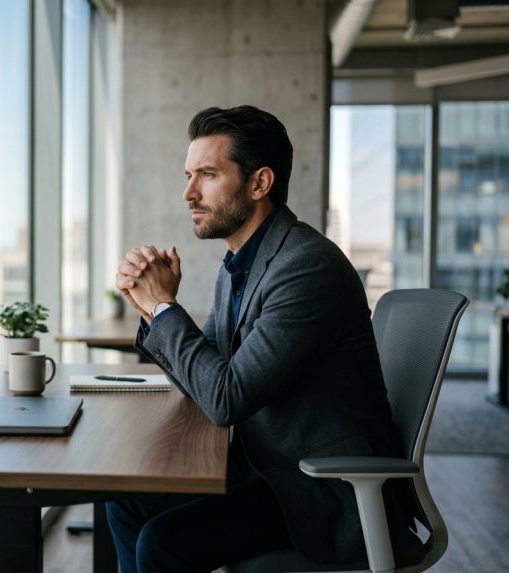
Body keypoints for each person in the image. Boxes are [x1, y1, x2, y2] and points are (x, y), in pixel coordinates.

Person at [108, 105, 420, 573]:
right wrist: (150, 307)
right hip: (269, 465)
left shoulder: (306, 267)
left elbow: (225, 398)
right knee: (126, 503)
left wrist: (164, 309)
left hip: (322, 489)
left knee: (164, 541)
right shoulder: (239, 263)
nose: (188, 193)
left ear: (259, 183)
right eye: (189, 175)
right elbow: (206, 375)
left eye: (207, 175)